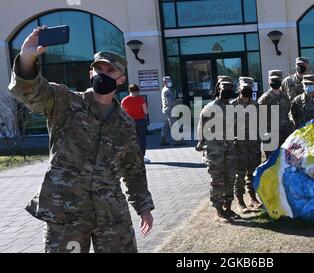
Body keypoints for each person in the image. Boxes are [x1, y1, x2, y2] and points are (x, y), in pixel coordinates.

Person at [8, 26, 154, 253]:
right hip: (67, 212)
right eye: (98, 69)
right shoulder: (65, 102)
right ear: (90, 74)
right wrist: (27, 59)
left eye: (110, 70)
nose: (103, 73)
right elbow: (31, 92)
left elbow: (133, 167)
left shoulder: (124, 122)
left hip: (111, 212)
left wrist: (143, 206)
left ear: (121, 79)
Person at [195, 81, 239, 222]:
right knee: (217, 180)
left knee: (230, 178)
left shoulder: (231, 107)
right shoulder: (210, 108)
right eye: (224, 89)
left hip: (230, 149)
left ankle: (228, 207)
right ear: (218, 90)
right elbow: (202, 129)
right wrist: (201, 144)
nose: (227, 91)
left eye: (230, 89)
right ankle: (218, 210)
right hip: (215, 151)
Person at [230, 77, 263, 212]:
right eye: (244, 89)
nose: (246, 91)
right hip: (239, 147)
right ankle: (240, 200)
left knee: (252, 173)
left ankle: (252, 198)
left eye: (249, 89)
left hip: (254, 146)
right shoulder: (232, 105)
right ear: (239, 89)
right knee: (240, 174)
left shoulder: (256, 105)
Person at [258, 70, 294, 158]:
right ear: (269, 81)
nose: (275, 82)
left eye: (277, 80)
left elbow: (288, 112)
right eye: (273, 80)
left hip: (285, 135)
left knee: (285, 160)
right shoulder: (264, 99)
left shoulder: (285, 96)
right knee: (271, 162)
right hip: (271, 136)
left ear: (281, 81)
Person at [121, 84, 151, 164]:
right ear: (137, 91)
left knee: (131, 139)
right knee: (142, 139)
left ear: (129, 90)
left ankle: (132, 157)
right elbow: (146, 111)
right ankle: (142, 156)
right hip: (141, 121)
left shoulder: (124, 100)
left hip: (129, 122)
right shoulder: (141, 100)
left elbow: (121, 113)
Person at [160, 76, 183, 146]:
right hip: (170, 110)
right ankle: (177, 141)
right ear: (164, 82)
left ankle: (163, 139)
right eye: (168, 81)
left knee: (166, 125)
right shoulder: (167, 91)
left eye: (170, 81)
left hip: (168, 110)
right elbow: (169, 102)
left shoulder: (166, 89)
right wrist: (178, 101)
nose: (170, 82)